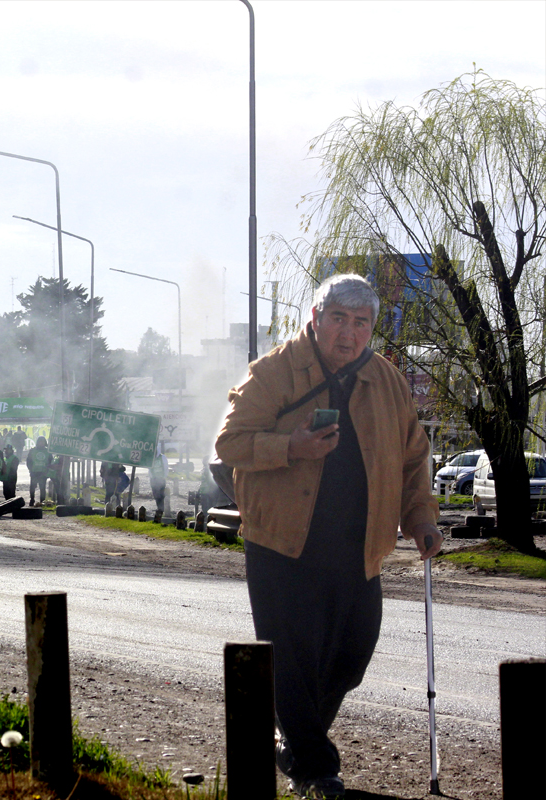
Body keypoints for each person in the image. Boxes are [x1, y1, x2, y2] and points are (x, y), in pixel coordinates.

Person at [214, 273, 442, 800]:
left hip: (358, 548)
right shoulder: (274, 371)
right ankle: (315, 769)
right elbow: (230, 442)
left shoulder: (386, 380)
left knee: (350, 656)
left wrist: (422, 517)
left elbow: (413, 459)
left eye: (360, 323)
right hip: (282, 544)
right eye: (338, 319)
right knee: (292, 658)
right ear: (315, 319)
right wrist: (290, 446)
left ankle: (292, 742)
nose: (349, 333)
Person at [26, 436, 53, 506]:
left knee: (42, 487)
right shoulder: (32, 451)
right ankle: (32, 499)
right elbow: (28, 461)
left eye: (43, 442)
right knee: (32, 487)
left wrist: (47, 470)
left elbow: (51, 462)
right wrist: (30, 469)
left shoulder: (48, 451)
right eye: (40, 441)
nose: (41, 443)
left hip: (43, 472)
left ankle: (42, 501)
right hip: (34, 471)